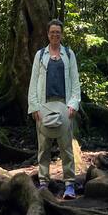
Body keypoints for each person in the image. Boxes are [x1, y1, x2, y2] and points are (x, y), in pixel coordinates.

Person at [27, 18, 81, 199]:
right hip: (44, 106)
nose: (55, 35)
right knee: (43, 148)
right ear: (47, 34)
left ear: (61, 34)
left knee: (66, 148)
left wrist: (73, 104)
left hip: (64, 107)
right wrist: (34, 107)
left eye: (58, 32)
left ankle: (69, 185)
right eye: (52, 32)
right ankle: (43, 183)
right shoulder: (40, 55)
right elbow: (33, 82)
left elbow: (75, 81)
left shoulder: (69, 54)